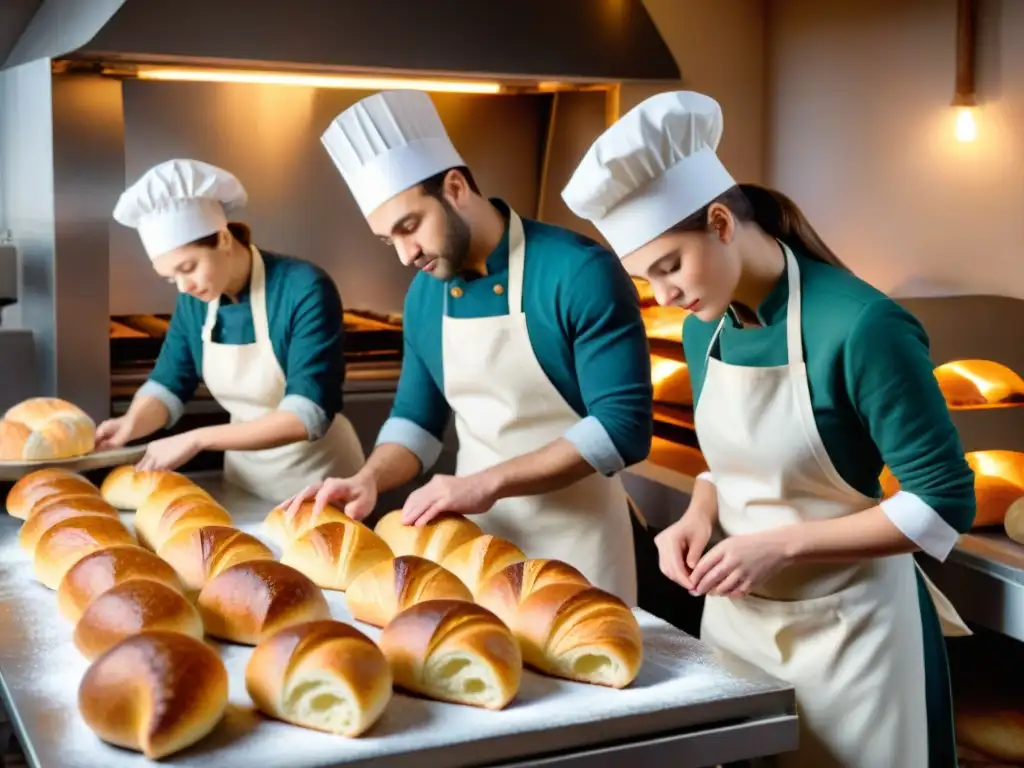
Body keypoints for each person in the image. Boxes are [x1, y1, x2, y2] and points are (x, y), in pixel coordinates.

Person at [560, 90, 976, 767]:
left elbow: (942, 502)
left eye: (669, 267)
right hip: (742, 630)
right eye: (647, 278)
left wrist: (782, 545)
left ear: (721, 222)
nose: (664, 297)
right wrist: (698, 514)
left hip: (857, 640)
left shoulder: (861, 326)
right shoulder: (707, 328)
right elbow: (735, 458)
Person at [285, 89, 654, 606]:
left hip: (580, 546)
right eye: (390, 241)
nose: (406, 254)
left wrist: (487, 482)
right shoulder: (424, 296)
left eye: (410, 227)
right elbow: (416, 421)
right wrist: (367, 478)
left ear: (455, 187)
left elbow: (623, 428)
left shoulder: (578, 271)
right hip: (472, 546)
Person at [97, 158, 365, 500]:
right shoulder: (195, 301)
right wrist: (128, 427)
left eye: (188, 267)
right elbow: (168, 384)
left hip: (319, 483)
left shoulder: (303, 288)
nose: (183, 287)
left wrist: (197, 438)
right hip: (243, 484)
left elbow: (307, 414)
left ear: (223, 238)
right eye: (170, 277)